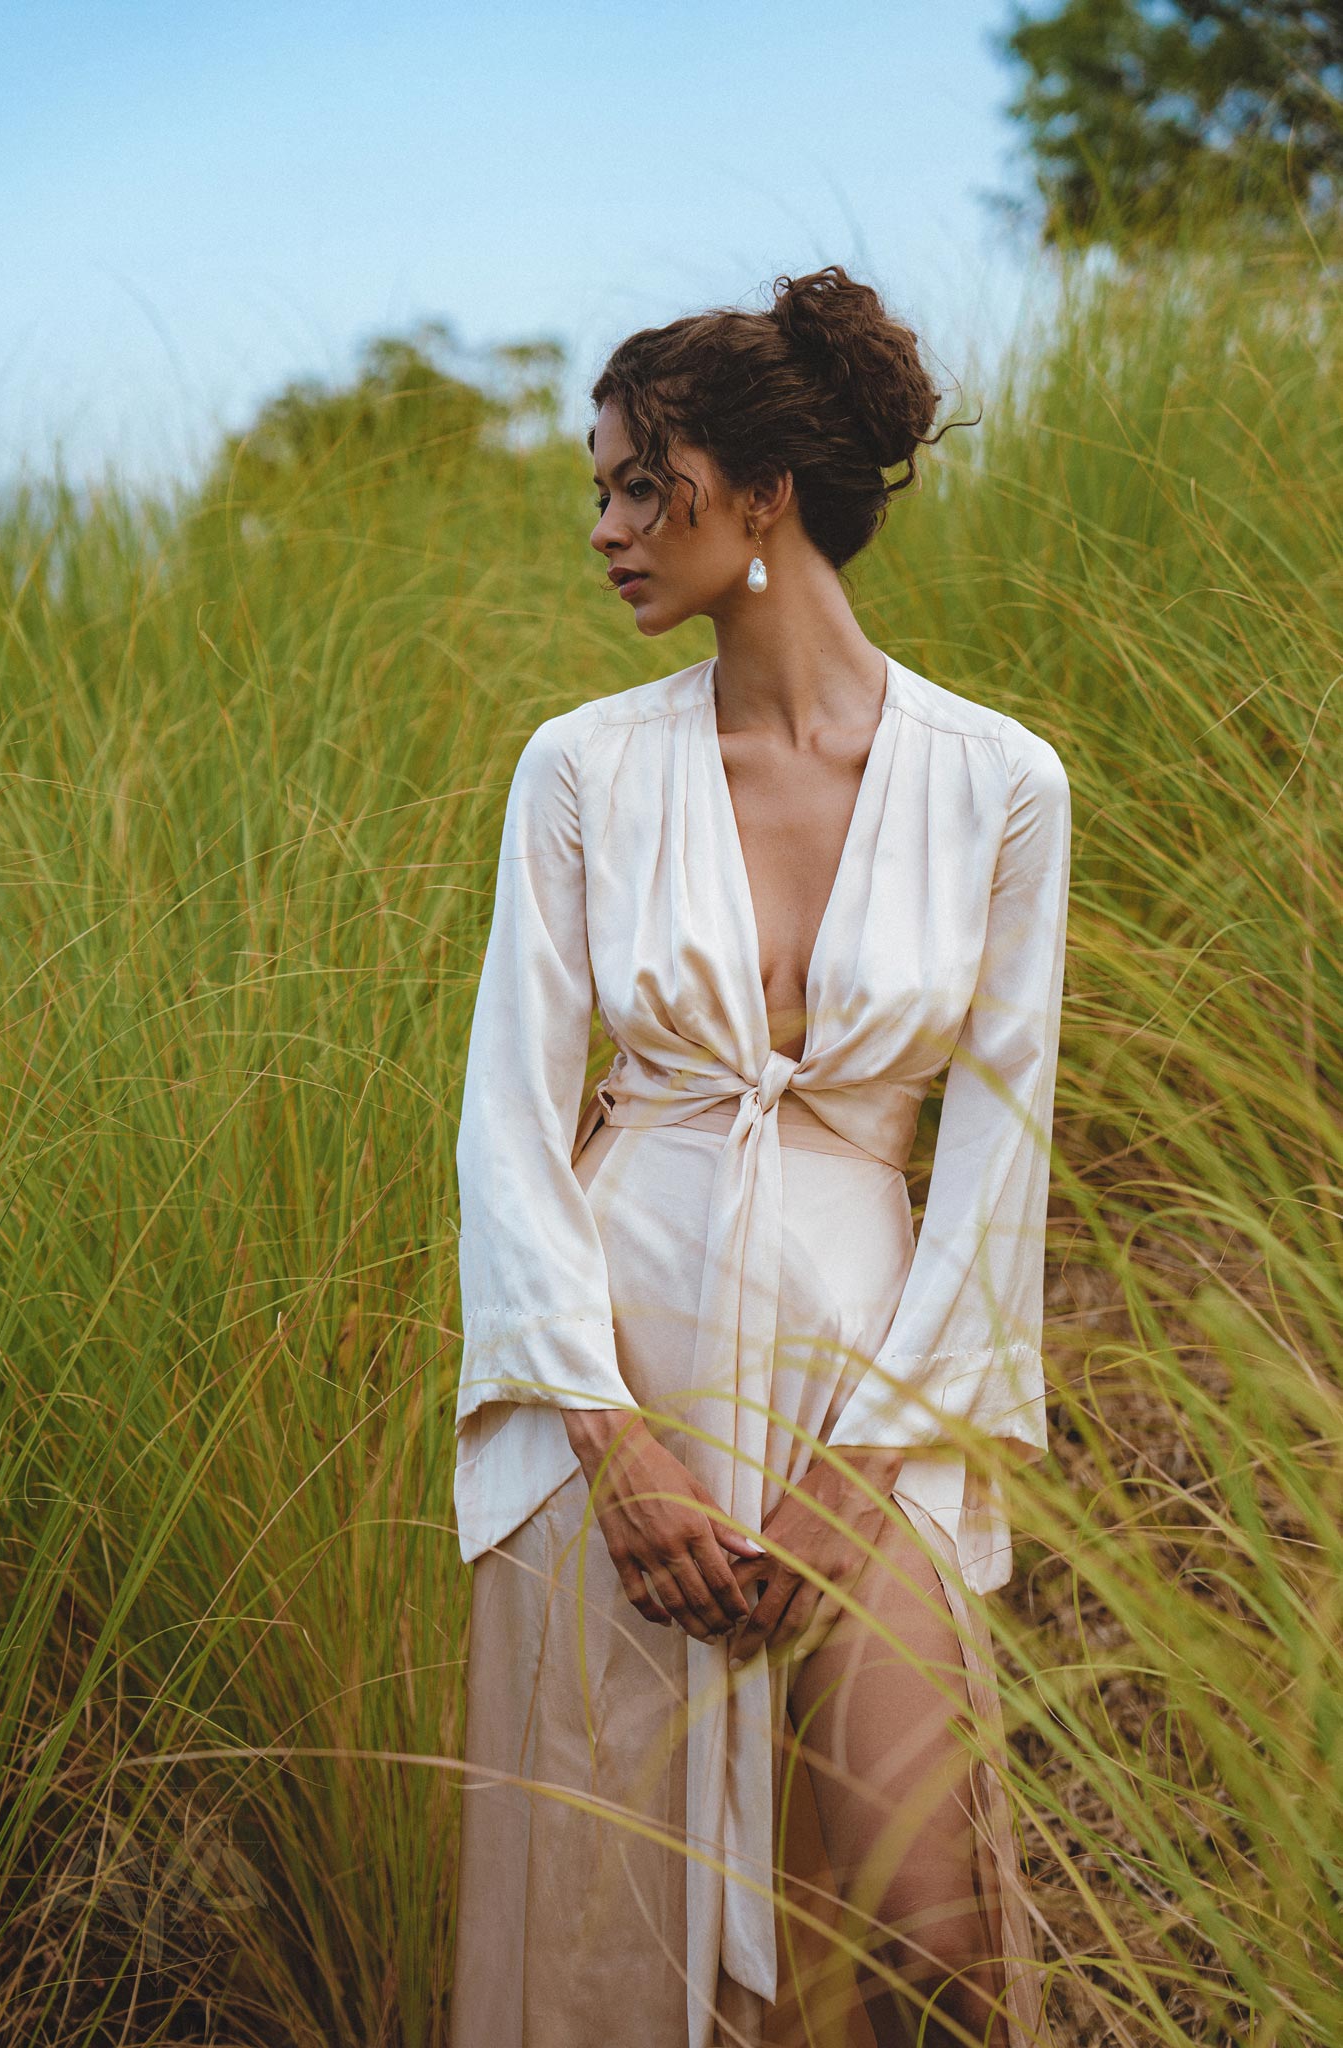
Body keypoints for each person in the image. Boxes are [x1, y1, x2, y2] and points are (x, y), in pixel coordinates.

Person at [447, 265, 1068, 2048]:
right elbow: (510, 1116)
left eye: (642, 484)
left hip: (873, 1378)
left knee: (925, 1941)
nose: (607, 530)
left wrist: (860, 1476)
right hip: (614, 1368)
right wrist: (607, 1436)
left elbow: (993, 1164)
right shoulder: (578, 769)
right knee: (604, 1945)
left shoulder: (999, 783)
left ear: (764, 494)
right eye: (602, 489)